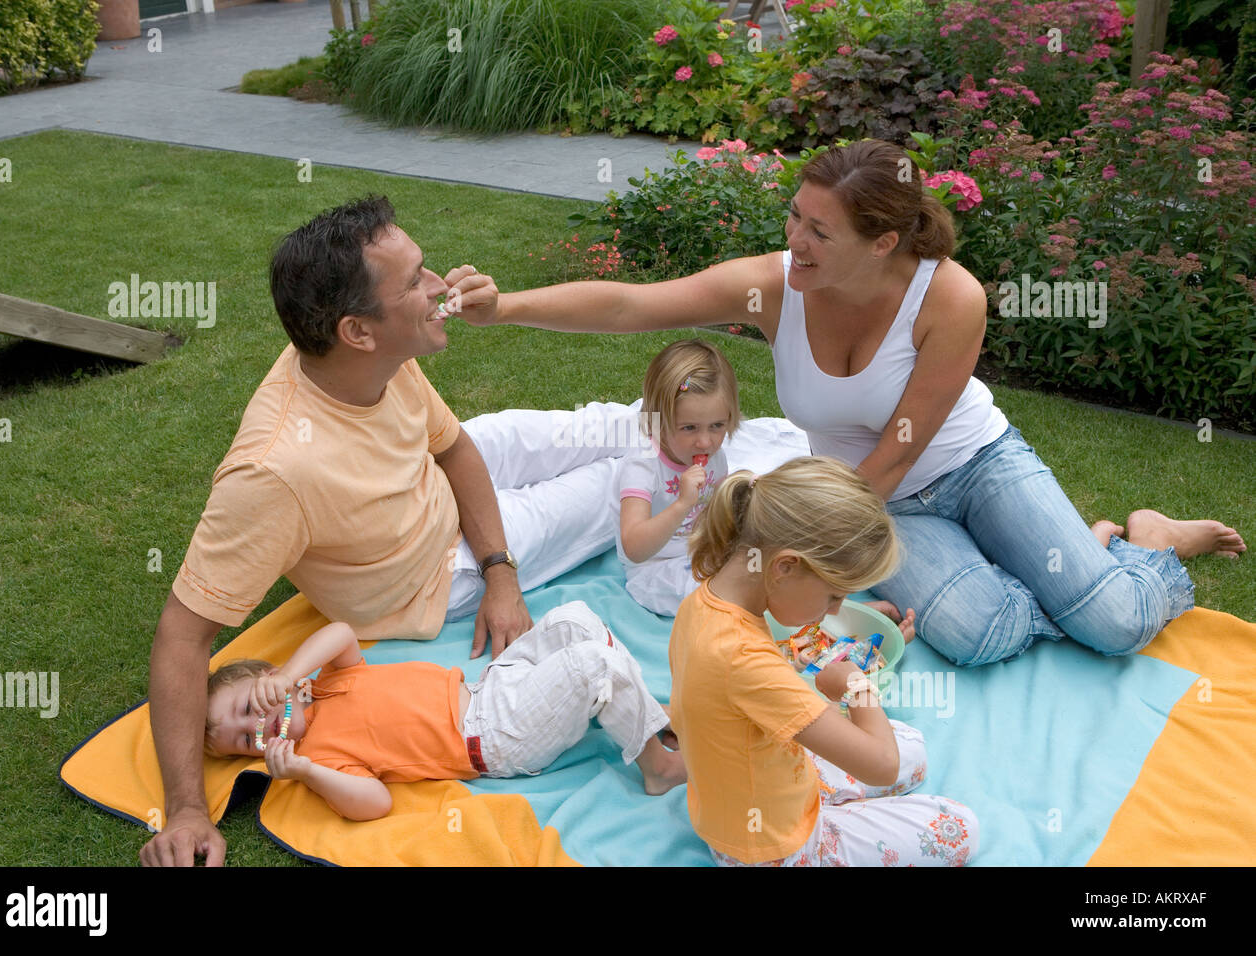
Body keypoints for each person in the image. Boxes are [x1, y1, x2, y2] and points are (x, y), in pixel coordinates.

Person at [448, 138, 1245, 670]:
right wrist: (504, 305)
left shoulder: (951, 298)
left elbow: (901, 448)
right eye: (795, 216)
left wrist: (816, 538)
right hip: (884, 500)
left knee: (1110, 627)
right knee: (978, 636)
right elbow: (631, 304)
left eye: (820, 233)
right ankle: (1089, 551)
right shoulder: (772, 287)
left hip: (971, 466)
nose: (795, 240)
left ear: (883, 244)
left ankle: (1148, 543)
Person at [141, 195, 637, 866]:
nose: (441, 288)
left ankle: (720, 428)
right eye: (416, 282)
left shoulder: (375, 363)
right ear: (358, 330)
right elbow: (182, 633)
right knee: (622, 482)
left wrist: (503, 567)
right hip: (438, 569)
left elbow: (456, 450)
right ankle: (736, 463)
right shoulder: (272, 475)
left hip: (438, 494)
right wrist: (188, 811)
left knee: (603, 425)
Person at [670, 456, 976, 866]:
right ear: (784, 567)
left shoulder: (705, 602)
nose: (835, 609)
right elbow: (882, 767)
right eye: (834, 595)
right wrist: (856, 686)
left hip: (739, 803)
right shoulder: (745, 661)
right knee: (959, 826)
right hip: (775, 848)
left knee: (914, 750)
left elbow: (735, 689)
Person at [203, 602, 685, 819]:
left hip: (490, 686)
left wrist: (289, 674)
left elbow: (342, 632)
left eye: (249, 706)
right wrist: (305, 771)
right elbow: (375, 803)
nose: (257, 726)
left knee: (573, 619)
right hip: (493, 737)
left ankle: (639, 712)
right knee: (590, 665)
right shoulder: (322, 755)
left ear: (269, 678)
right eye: (247, 741)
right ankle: (658, 767)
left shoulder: (329, 680)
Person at [616, 339, 739, 616]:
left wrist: (738, 495)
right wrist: (682, 504)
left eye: (717, 426)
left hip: (701, 554)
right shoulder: (643, 465)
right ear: (658, 420)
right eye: (689, 428)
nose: (705, 441)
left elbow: (716, 516)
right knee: (711, 596)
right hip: (654, 570)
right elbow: (635, 548)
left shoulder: (714, 457)